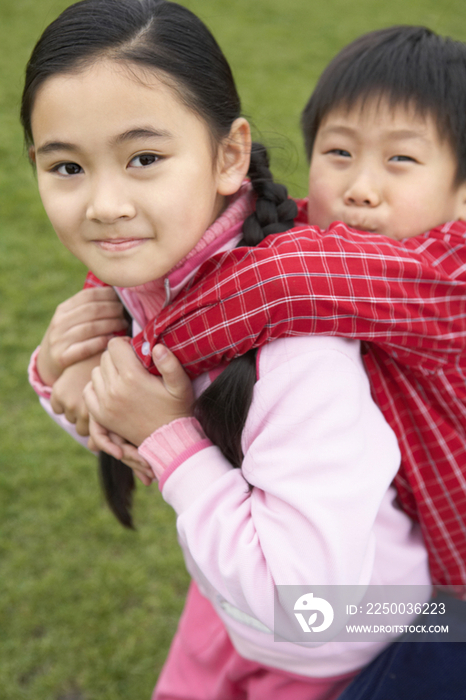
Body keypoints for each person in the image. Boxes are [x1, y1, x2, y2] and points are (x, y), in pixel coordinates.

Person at [25, 2, 431, 698]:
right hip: (227, 596)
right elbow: (127, 424)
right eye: (66, 167)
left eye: (144, 158)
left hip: (335, 643)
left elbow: (306, 607)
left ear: (229, 156)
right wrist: (66, 372)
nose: (104, 203)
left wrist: (170, 439)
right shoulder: (156, 279)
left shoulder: (302, 358)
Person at [68, 25, 466, 595]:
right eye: (339, 153)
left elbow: (278, 282)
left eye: (401, 158)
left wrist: (135, 367)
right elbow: (199, 241)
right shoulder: (319, 237)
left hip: (451, 581)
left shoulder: (451, 273)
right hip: (375, 558)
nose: (360, 187)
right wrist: (98, 305)